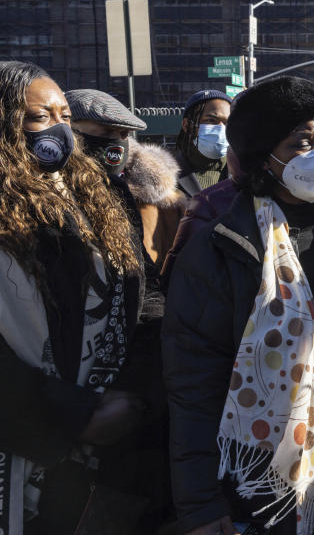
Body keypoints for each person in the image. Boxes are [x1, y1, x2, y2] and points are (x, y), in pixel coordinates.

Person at [163, 77, 314, 535]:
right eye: (302, 142)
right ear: (263, 156)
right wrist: (201, 504)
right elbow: (192, 386)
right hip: (260, 489)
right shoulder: (221, 246)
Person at [0, 61, 151, 534]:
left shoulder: (99, 199)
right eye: (40, 117)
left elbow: (143, 297)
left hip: (98, 458)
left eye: (66, 115)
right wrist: (73, 414)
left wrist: (136, 393)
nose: (61, 130)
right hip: (26, 441)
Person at [66, 88, 184, 269]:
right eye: (106, 133)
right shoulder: (37, 196)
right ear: (67, 130)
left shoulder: (164, 206)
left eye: (124, 134)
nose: (117, 141)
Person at [174, 89, 231, 198]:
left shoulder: (245, 174)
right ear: (187, 126)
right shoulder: (166, 178)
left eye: (227, 122)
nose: (221, 128)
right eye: (211, 120)